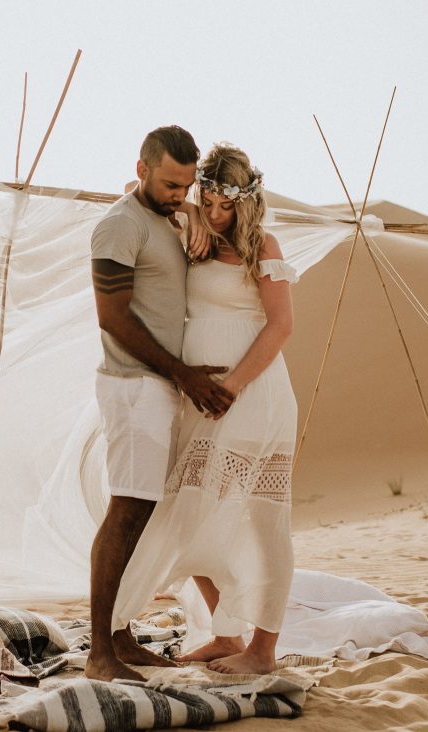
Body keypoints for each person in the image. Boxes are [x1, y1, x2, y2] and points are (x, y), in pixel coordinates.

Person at [112, 142, 298, 675]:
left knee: (264, 521)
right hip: (196, 396)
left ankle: (261, 651)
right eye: (208, 201)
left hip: (251, 394)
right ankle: (226, 633)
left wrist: (232, 387)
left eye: (226, 206)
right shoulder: (189, 229)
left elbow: (281, 326)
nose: (217, 215)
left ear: (248, 201)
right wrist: (187, 210)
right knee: (188, 509)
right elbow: (129, 194)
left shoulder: (263, 245)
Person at [85, 126, 237, 682]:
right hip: (132, 386)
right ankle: (100, 652)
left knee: (145, 511)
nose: (182, 194)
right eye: (172, 184)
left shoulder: (167, 216)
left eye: (186, 185)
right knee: (126, 510)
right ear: (142, 168)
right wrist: (184, 376)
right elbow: (113, 317)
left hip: (160, 387)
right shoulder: (119, 225)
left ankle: (121, 639)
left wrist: (188, 211)